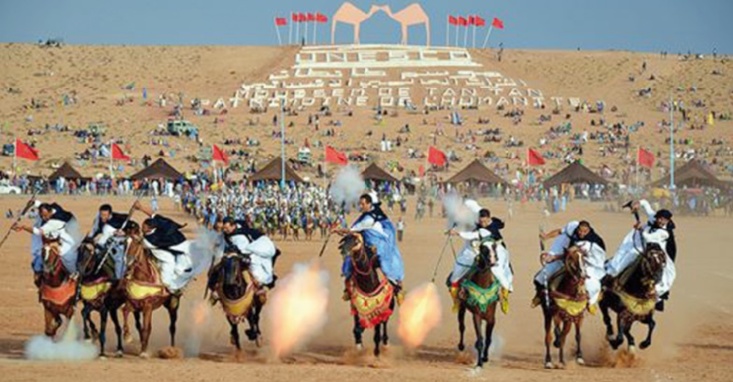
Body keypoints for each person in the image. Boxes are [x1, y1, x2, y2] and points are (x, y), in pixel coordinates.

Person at [332, 191, 405, 303]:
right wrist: (339, 231)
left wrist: (338, 230)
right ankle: (348, 287)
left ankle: (397, 291)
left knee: (384, 265)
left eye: (363, 204)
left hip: (379, 244)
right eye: (360, 204)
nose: (361, 206)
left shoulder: (369, 219)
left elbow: (351, 230)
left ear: (369, 204)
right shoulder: (366, 216)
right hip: (367, 241)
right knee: (352, 257)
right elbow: (352, 231)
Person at [606, 200, 676, 311]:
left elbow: (650, 237)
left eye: (664, 220)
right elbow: (646, 205)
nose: (661, 221)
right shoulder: (653, 217)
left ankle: (657, 295)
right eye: (660, 219)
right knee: (628, 254)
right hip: (642, 244)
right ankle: (613, 274)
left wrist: (641, 229)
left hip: (658, 249)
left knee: (663, 270)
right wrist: (638, 203)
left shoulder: (665, 232)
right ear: (657, 217)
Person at [448, 203, 513, 314]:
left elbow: (472, 235)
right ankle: (456, 300)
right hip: (479, 250)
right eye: (481, 221)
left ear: (489, 218)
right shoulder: (477, 223)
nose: (482, 224)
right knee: (459, 271)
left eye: (485, 221)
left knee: (498, 272)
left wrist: (458, 233)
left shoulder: (493, 225)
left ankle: (504, 297)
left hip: (496, 250)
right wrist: (455, 227)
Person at [532, 220, 606, 312]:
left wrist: (554, 257)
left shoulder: (589, 241)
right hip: (572, 258)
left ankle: (590, 303)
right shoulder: (573, 227)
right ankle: (539, 296)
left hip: (589, 261)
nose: (581, 233)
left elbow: (571, 252)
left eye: (584, 232)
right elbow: (560, 231)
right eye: (580, 231)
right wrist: (546, 236)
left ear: (589, 231)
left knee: (591, 284)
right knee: (543, 275)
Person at [13, 201, 82, 286]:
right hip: (61, 230)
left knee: (67, 257)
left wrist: (23, 227)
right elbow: (39, 204)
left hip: (68, 235)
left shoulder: (54, 222)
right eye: (42, 215)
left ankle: (74, 274)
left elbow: (38, 232)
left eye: (45, 216)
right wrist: (32, 203)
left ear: (50, 212)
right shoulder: (53, 207)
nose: (43, 218)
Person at [209, 217, 278, 301]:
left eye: (227, 228)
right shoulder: (229, 232)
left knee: (254, 266)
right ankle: (216, 289)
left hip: (256, 248)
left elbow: (244, 251)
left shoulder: (240, 238)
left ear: (233, 226)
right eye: (224, 228)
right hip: (242, 249)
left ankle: (260, 287)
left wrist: (236, 254)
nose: (225, 230)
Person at [132, 200, 194, 293]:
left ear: (150, 229)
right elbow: (153, 214)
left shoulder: (151, 240)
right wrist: (141, 207)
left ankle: (169, 287)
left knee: (173, 264)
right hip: (172, 245)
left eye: (144, 228)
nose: (142, 229)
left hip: (180, 246)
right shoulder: (159, 222)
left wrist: (136, 237)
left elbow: (144, 243)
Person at [86, 204, 129, 280]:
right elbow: (95, 230)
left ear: (110, 214)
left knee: (119, 261)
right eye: (101, 214)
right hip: (102, 243)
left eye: (105, 215)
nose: (103, 217)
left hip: (116, 245)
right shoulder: (98, 219)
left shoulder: (118, 221)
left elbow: (130, 227)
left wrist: (124, 232)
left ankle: (119, 279)